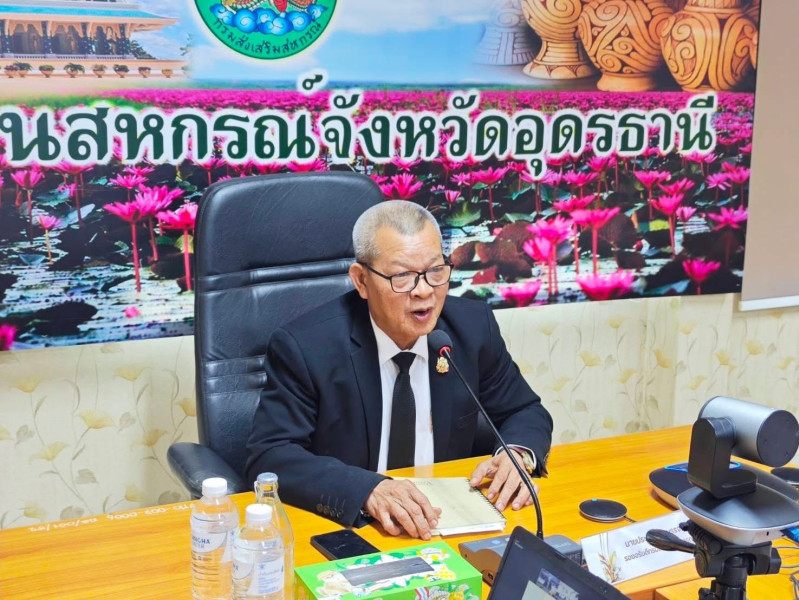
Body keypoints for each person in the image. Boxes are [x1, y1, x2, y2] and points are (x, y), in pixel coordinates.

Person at [244, 201, 552, 540]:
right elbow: (271, 456)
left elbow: (524, 410)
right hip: (356, 530)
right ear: (361, 281)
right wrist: (367, 490)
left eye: (436, 270)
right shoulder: (306, 347)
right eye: (402, 276)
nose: (424, 291)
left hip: (451, 522)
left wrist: (517, 454)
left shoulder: (471, 328)